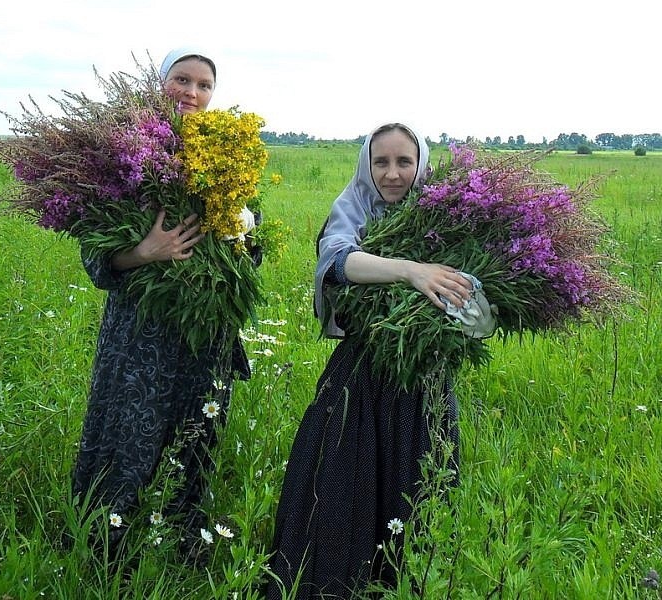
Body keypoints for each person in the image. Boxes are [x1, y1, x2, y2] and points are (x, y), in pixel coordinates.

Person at [267, 123, 477, 598]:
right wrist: (410, 271)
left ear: (421, 164)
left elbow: (475, 299)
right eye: (381, 162)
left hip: (424, 372)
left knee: (418, 477)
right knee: (343, 474)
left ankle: (409, 584)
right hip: (359, 371)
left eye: (404, 161)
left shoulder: (447, 214)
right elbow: (338, 262)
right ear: (366, 164)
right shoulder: (354, 207)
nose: (393, 173)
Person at [71, 48, 252, 555]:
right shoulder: (127, 149)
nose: (192, 93)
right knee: (128, 430)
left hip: (206, 331)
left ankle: (180, 539)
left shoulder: (228, 151)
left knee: (196, 434)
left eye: (204, 85)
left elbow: (249, 252)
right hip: (140, 334)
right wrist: (145, 252)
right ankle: (107, 544)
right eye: (181, 79)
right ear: (160, 82)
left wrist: (241, 230)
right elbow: (95, 257)